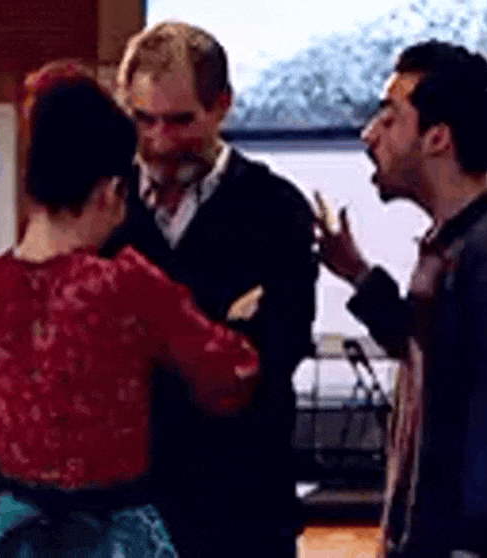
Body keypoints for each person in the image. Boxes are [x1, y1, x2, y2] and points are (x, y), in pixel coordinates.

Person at [0, 61, 263, 558]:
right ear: (112, 192)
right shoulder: (125, 285)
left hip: (19, 535)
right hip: (116, 536)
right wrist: (236, 321)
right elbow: (231, 379)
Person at [315, 40, 487, 557]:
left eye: (389, 118)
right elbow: (427, 349)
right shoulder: (454, 242)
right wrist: (359, 275)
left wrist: (469, 547)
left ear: (437, 138)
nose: (369, 134)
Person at [100, 20, 319, 558]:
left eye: (180, 121)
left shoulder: (275, 209)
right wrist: (220, 330)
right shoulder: (103, 209)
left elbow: (276, 355)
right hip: (130, 509)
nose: (159, 140)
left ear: (222, 105)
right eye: (143, 119)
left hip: (244, 509)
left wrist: (150, 345)